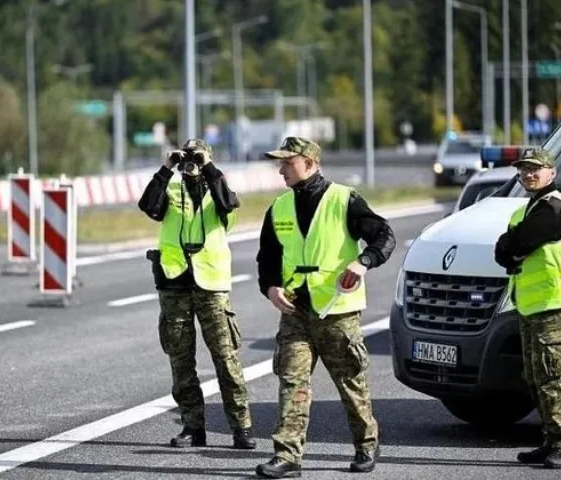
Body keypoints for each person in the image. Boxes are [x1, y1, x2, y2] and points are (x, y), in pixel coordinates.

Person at [254, 136, 396, 478]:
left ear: (310, 163)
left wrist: (363, 262)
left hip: (336, 310)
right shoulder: (279, 207)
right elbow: (268, 259)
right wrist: (271, 288)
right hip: (296, 311)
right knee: (291, 381)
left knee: (350, 382)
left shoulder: (343, 199)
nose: (281, 170)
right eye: (280, 163)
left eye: (288, 163)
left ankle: (366, 444)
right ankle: (287, 456)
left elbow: (384, 235)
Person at [138, 138, 256, 450]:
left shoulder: (218, 190)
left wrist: (208, 167)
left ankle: (241, 427)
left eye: (196, 156)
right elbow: (149, 206)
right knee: (180, 360)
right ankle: (193, 426)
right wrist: (166, 169)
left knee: (226, 358)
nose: (190, 161)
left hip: (211, 285)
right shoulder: (172, 188)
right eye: (187, 156)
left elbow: (228, 206)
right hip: (174, 281)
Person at [494, 148, 561, 469]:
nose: (529, 174)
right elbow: (504, 249)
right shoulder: (528, 208)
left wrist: (511, 245)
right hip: (531, 305)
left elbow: (517, 243)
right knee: (533, 376)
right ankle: (548, 440)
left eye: (536, 169)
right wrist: (510, 246)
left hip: (552, 305)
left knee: (549, 376)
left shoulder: (553, 208)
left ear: (551, 174)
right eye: (524, 170)